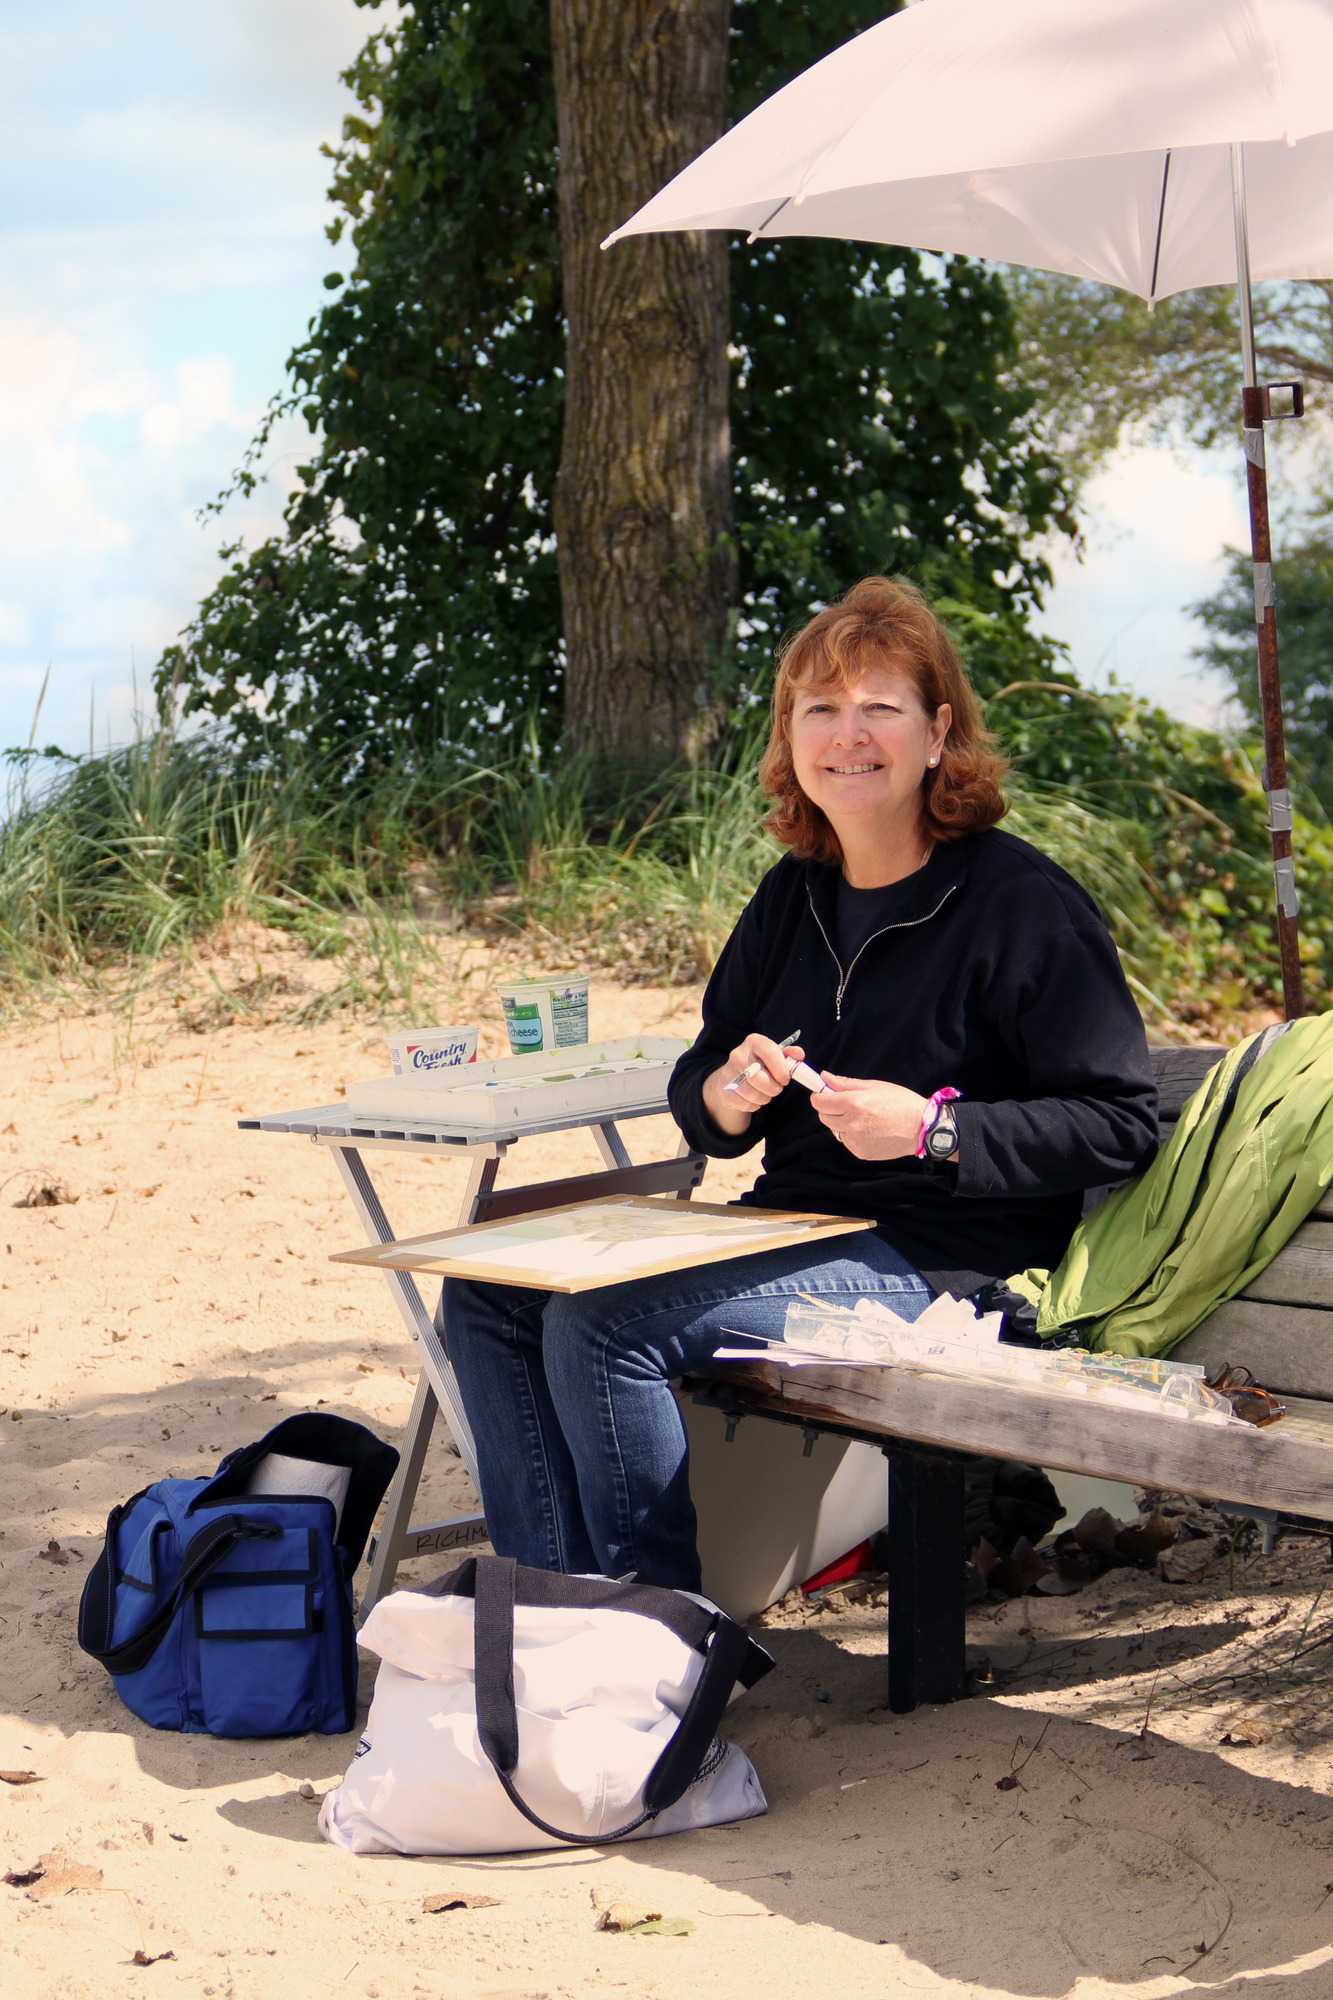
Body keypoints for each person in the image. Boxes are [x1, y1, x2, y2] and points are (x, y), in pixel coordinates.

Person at [442, 577, 1157, 1591]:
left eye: (880, 708)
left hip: (939, 1265)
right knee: (488, 1294)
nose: (847, 735)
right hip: (789, 1233)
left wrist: (931, 1132)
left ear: (937, 730)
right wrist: (723, 1098)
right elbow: (702, 1081)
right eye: (821, 709)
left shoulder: (1019, 903)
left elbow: (1119, 1122)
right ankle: (556, 1618)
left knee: (605, 1322)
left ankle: (658, 1642)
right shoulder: (792, 897)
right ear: (790, 737)